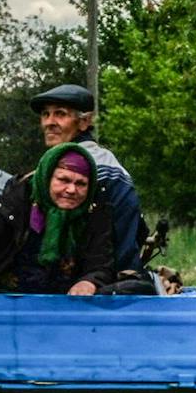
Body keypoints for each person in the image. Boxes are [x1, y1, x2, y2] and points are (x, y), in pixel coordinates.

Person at [0, 144, 114, 295]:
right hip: (7, 299)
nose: (72, 189)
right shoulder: (20, 200)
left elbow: (101, 262)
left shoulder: (95, 212)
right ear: (46, 178)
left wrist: (89, 282)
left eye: (81, 183)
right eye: (63, 180)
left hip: (65, 307)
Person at [28, 83, 146, 278]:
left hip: (97, 285)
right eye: (45, 114)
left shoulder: (87, 172)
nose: (49, 122)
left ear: (84, 122)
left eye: (60, 114)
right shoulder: (107, 162)